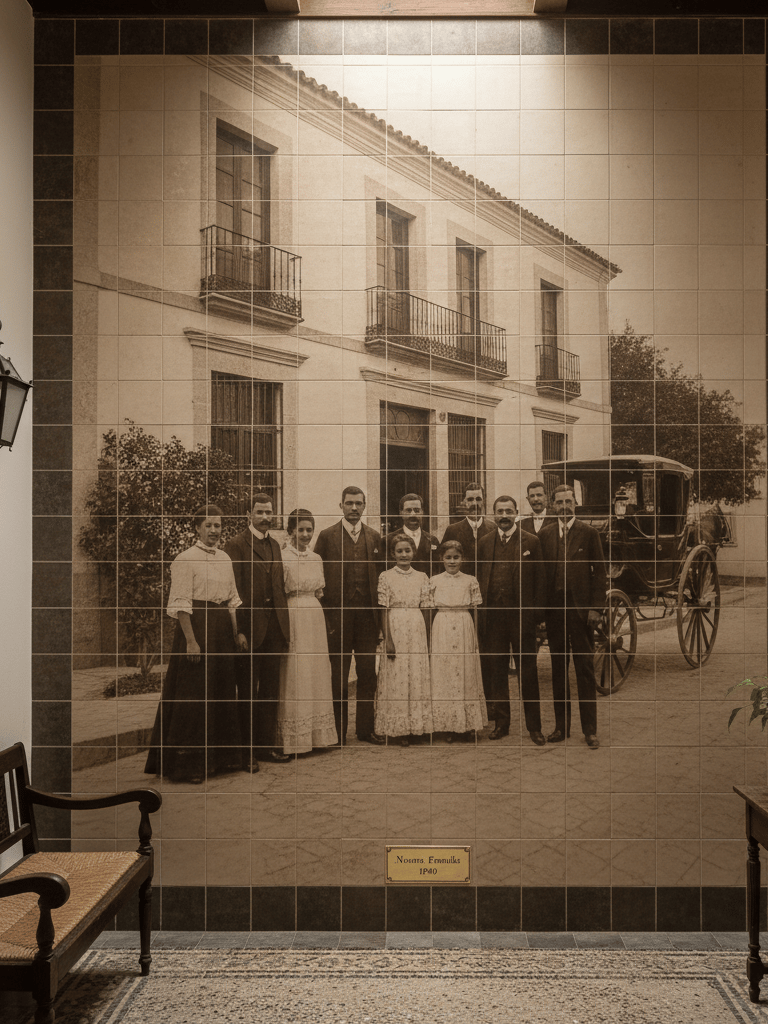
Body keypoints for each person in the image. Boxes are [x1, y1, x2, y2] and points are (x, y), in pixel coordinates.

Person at [145, 505, 247, 784]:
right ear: (197, 528)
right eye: (209, 525)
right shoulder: (184, 559)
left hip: (222, 634)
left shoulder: (225, 558)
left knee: (223, 692)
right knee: (194, 698)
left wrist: (237, 633)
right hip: (196, 631)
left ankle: (222, 760)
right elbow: (180, 604)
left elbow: (231, 601)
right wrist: (191, 641)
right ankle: (189, 766)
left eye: (218, 525)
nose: (214, 530)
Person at [313, 486, 385, 745]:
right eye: (349, 503)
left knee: (368, 674)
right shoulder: (326, 536)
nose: (354, 508)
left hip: (367, 618)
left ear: (365, 506)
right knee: (338, 675)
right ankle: (338, 733)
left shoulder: (375, 537)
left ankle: (365, 730)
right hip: (337, 619)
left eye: (358, 504)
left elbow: (382, 577)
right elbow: (316, 577)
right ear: (340, 505)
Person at [224, 493, 291, 767]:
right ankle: (246, 752)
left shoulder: (275, 545)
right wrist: (237, 630)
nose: (265, 517)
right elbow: (233, 590)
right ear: (248, 515)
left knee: (270, 691)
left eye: (269, 512)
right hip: (250, 629)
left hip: (275, 627)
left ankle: (265, 747)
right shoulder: (236, 545)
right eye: (260, 512)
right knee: (249, 691)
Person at [538, 484, 607, 750]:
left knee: (584, 670)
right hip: (555, 611)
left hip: (580, 612)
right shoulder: (544, 535)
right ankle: (561, 727)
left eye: (568, 501)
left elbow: (599, 572)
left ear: (575, 504)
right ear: (553, 506)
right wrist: (542, 614)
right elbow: (542, 577)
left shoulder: (589, 533)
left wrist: (596, 608)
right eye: (559, 502)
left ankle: (590, 730)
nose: (564, 506)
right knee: (558, 670)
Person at [477, 495, 546, 745]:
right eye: (499, 511)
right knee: (497, 672)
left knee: (527, 672)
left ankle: (534, 728)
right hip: (494, 618)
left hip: (521, 619)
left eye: (508, 510)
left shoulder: (532, 541)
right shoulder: (484, 542)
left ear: (517, 512)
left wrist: (537, 616)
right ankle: (502, 724)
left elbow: (540, 580)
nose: (504, 515)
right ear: (493, 514)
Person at [276, 509, 338, 755]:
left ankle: (318, 735)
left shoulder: (316, 558)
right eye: (300, 529)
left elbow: (320, 592)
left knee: (315, 670)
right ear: (291, 531)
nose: (305, 534)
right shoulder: (282, 558)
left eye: (309, 530)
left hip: (314, 616)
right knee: (296, 671)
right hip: (293, 614)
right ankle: (294, 739)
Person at [374, 533, 433, 745]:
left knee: (416, 675)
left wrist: (427, 638)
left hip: (416, 629)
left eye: (407, 550)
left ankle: (417, 726)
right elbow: (384, 610)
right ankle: (398, 729)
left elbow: (426, 609)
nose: (404, 555)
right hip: (396, 627)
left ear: (413, 553)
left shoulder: (422, 577)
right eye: (399, 551)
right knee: (397, 677)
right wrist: (387, 639)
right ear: (392, 554)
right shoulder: (386, 576)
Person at [427, 539, 487, 742]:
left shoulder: (470, 580)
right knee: (444, 672)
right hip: (442, 625)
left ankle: (468, 724)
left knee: (465, 671)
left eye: (456, 557)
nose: (452, 561)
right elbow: (429, 610)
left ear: (463, 559)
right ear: (441, 559)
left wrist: (476, 638)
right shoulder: (434, 580)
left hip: (464, 625)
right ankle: (448, 725)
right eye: (448, 557)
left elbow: (476, 611)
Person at [441, 481, 495, 579]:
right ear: (464, 502)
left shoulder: (493, 528)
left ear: (484, 501)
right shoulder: (452, 530)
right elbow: (443, 562)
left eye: (478, 499)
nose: (474, 503)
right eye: (470, 499)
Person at [384, 493, 439, 577]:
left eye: (417, 510)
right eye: (408, 510)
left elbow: (437, 571)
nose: (413, 514)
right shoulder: (388, 540)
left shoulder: (432, 540)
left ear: (422, 512)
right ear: (401, 513)